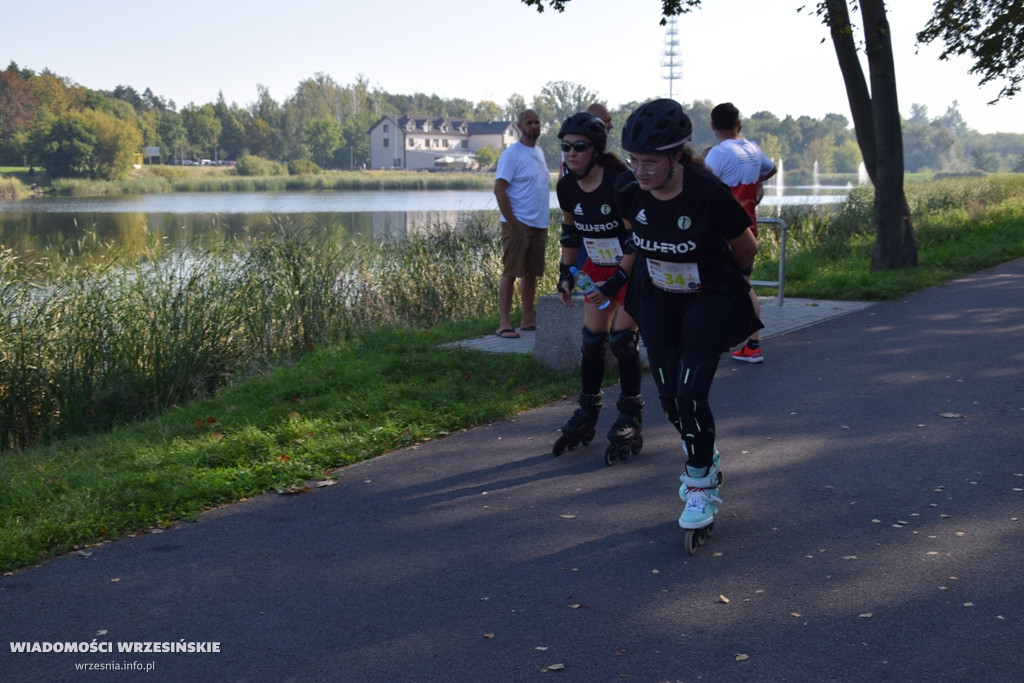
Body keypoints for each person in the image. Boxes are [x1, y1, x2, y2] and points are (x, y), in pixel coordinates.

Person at [607, 98, 761, 552]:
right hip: (657, 295)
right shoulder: (628, 191)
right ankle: (705, 456)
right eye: (634, 160)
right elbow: (633, 234)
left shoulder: (707, 193)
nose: (640, 171)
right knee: (671, 398)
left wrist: (721, 279)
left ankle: (699, 484)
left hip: (706, 297)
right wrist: (621, 279)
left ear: (677, 156)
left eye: (650, 162)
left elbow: (746, 249)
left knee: (692, 394)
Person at [552, 112, 643, 464]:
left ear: (596, 149)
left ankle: (630, 415)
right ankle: (587, 412)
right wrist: (564, 273)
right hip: (596, 267)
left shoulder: (619, 182)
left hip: (630, 269)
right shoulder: (566, 185)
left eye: (579, 147)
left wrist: (617, 282)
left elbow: (637, 238)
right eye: (565, 147)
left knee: (622, 341)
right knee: (592, 342)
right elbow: (571, 233)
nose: (571, 153)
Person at [703, 102, 777, 364]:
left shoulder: (719, 153)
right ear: (739, 124)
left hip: (723, 229)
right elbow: (771, 169)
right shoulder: (752, 148)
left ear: (713, 126)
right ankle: (752, 342)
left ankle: (718, 338)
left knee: (714, 283)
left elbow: (702, 183)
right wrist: (756, 185)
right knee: (742, 282)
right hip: (749, 225)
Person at [493, 109, 551, 338]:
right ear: (519, 127)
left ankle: (528, 319)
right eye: (529, 123)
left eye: (537, 122)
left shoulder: (539, 152)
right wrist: (513, 222)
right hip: (517, 222)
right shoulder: (512, 154)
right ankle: (504, 324)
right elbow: (499, 189)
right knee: (511, 271)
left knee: (531, 273)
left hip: (539, 222)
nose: (534, 126)